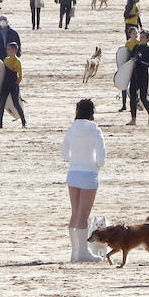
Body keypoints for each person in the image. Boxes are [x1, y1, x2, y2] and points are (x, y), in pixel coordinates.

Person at [62, 99, 105, 262]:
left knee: (75, 213)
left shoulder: (71, 129)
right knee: (83, 215)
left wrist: (76, 161)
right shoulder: (95, 131)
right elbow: (102, 157)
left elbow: (64, 154)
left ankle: (75, 252)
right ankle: (82, 252)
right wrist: (94, 166)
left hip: (73, 173)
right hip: (88, 174)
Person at [0, 42, 25, 129]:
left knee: (16, 103)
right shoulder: (6, 60)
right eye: (7, 49)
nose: (7, 51)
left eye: (9, 49)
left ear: (14, 51)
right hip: (5, 84)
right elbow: (2, 73)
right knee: (1, 103)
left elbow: (20, 75)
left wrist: (16, 84)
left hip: (13, 84)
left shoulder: (17, 61)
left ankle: (24, 122)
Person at [126, 30, 149, 126]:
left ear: (147, 39)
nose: (140, 38)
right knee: (132, 97)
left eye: (143, 37)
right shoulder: (136, 47)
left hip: (143, 76)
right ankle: (133, 119)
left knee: (143, 97)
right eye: (140, 37)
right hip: (134, 75)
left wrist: (138, 61)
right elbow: (130, 58)